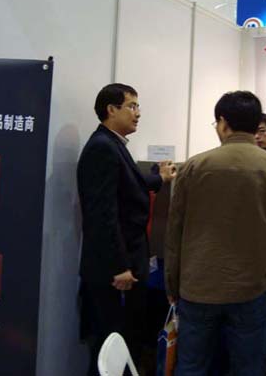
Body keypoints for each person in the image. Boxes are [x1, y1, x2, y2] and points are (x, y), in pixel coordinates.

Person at [165, 91, 266, 376]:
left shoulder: (194, 167)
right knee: (248, 368)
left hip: (197, 287)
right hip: (252, 287)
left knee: (192, 367)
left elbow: (175, 234)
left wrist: (173, 285)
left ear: (223, 123)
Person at [77, 83, 176, 375]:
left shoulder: (113, 144)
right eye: (132, 106)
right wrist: (119, 266)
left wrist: (159, 178)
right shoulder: (102, 148)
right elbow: (102, 214)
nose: (138, 113)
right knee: (110, 344)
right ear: (111, 109)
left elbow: (127, 187)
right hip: (114, 272)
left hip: (125, 265)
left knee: (123, 340)